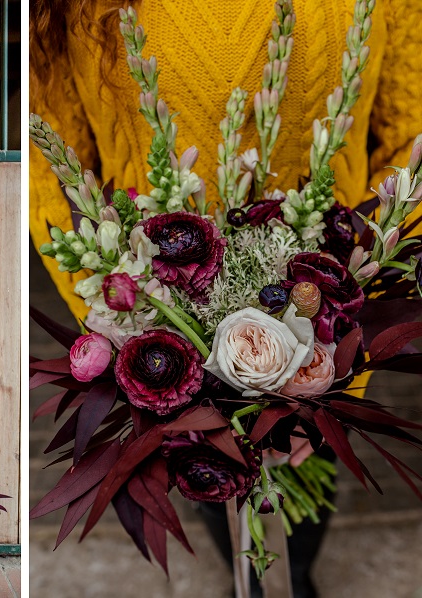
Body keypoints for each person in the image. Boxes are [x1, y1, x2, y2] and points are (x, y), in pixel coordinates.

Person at [29, 1, 422, 596]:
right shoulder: (68, 13)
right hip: (168, 320)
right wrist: (124, 321)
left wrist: (341, 336)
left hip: (327, 304)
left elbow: (407, 132)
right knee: (217, 485)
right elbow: (52, 173)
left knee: (308, 472)